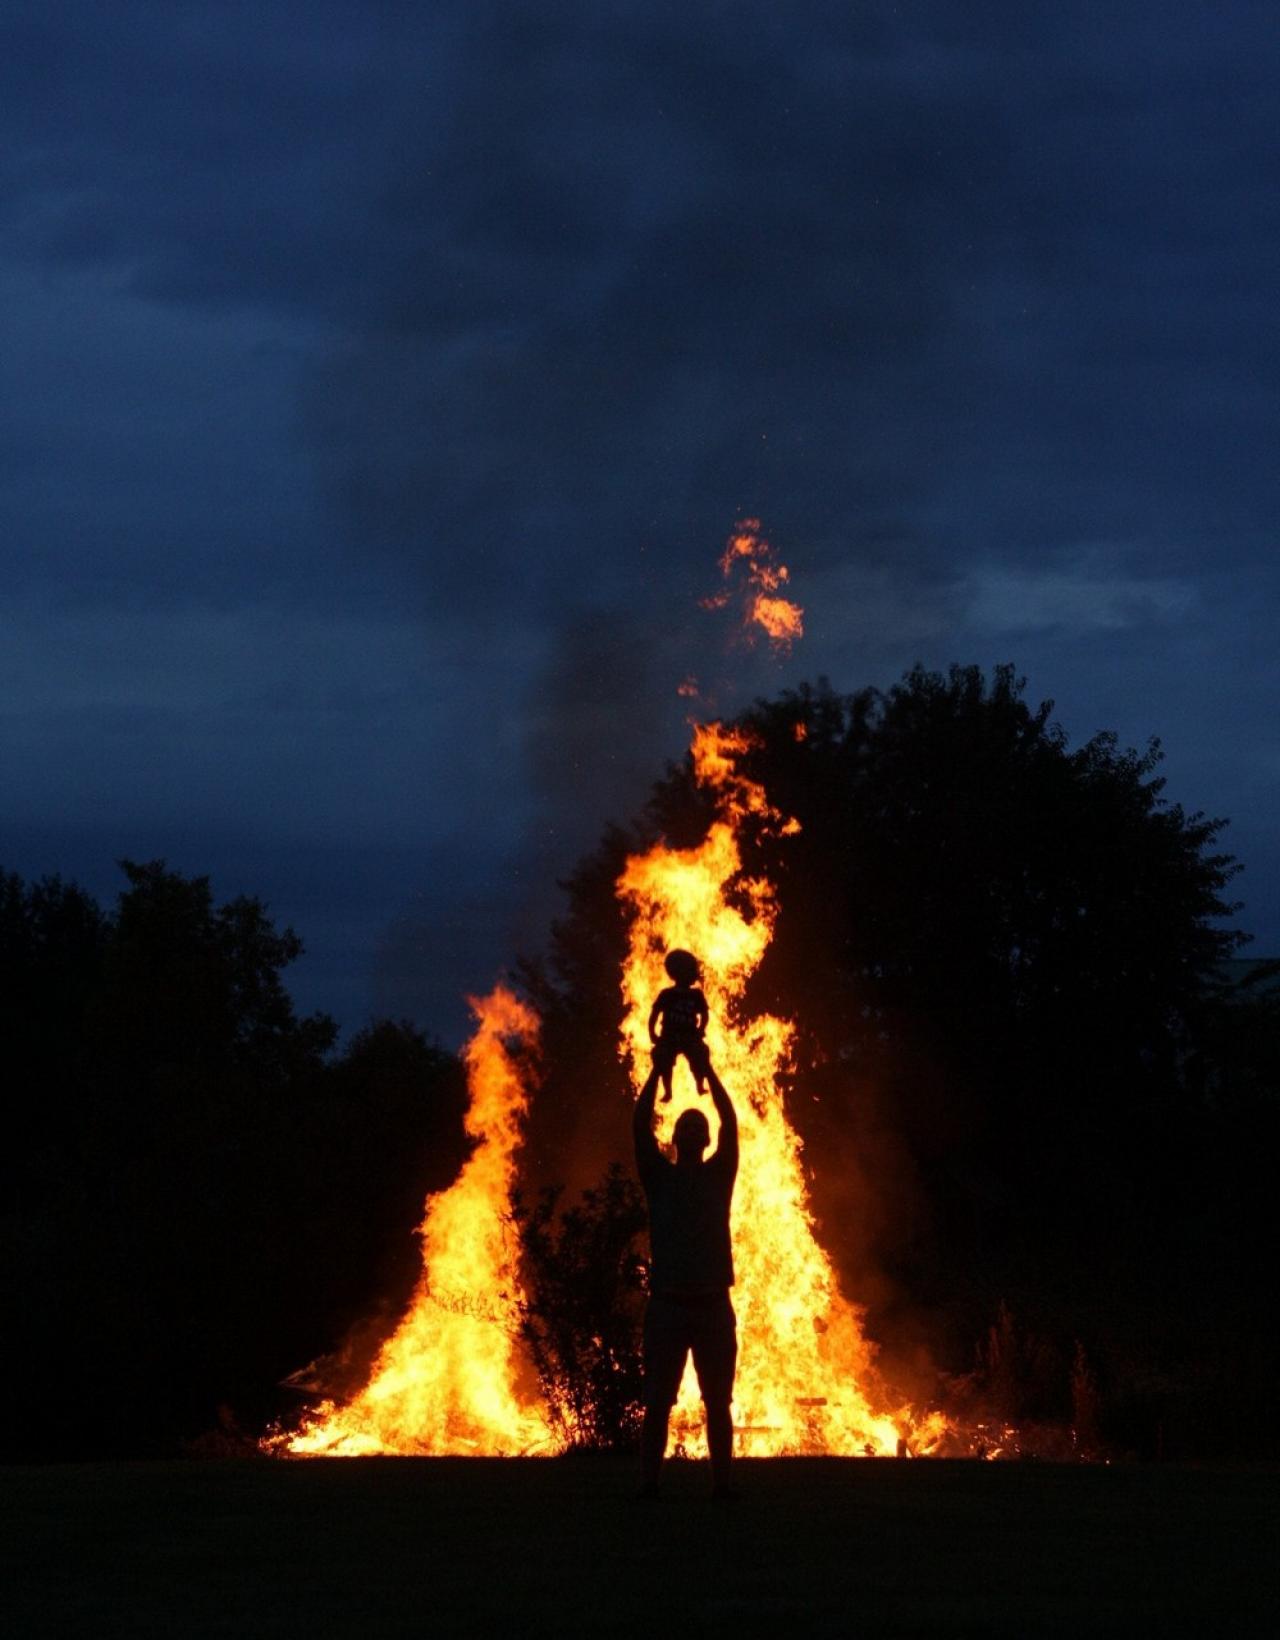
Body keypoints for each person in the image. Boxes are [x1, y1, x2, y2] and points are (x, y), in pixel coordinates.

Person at [632, 1041, 739, 1498]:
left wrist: (708, 1073)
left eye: (700, 1126)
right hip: (669, 1305)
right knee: (657, 1403)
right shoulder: (659, 1179)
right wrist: (658, 1072)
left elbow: (732, 1124)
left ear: (707, 1140)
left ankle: (722, 1486)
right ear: (675, 1139)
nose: (694, 1131)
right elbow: (639, 1127)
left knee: (718, 1402)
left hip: (713, 1304)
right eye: (687, 1125)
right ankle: (649, 1484)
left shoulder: (720, 1175)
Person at [647, 949, 710, 1103]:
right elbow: (654, 1015)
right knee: (662, 1058)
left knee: (700, 1055)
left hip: (690, 1036)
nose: (695, 973)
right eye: (692, 970)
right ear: (679, 972)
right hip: (669, 1036)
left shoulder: (696, 995)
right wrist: (652, 1034)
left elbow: (704, 1015)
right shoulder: (667, 994)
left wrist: (701, 1030)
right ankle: (668, 1091)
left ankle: (700, 1084)